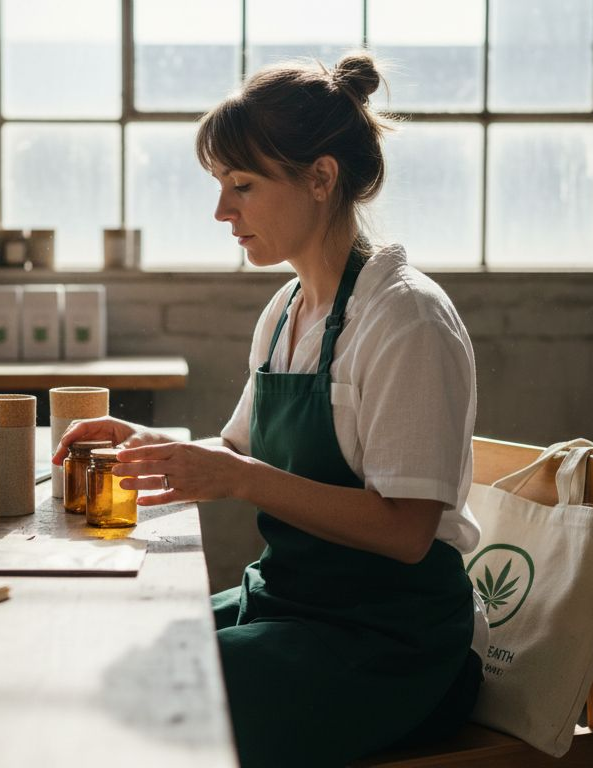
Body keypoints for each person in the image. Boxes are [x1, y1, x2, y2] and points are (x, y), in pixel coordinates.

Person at [53, 52, 487, 768]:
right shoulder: (288, 309)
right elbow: (239, 456)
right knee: (93, 656)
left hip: (388, 645)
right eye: (222, 186)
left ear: (321, 178)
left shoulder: (406, 319)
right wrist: (147, 439)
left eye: (242, 186)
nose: (223, 211)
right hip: (291, 608)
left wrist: (240, 479)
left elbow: (408, 532)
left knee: (149, 702)